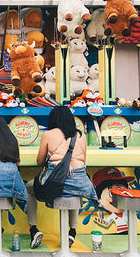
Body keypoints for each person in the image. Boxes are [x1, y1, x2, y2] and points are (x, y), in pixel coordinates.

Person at [25, 106, 98, 249]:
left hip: (55, 183)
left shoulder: (48, 134)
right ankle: (72, 231)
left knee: (28, 188)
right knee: (75, 187)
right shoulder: (81, 136)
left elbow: (39, 162)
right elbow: (84, 160)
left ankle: (33, 229)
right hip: (80, 184)